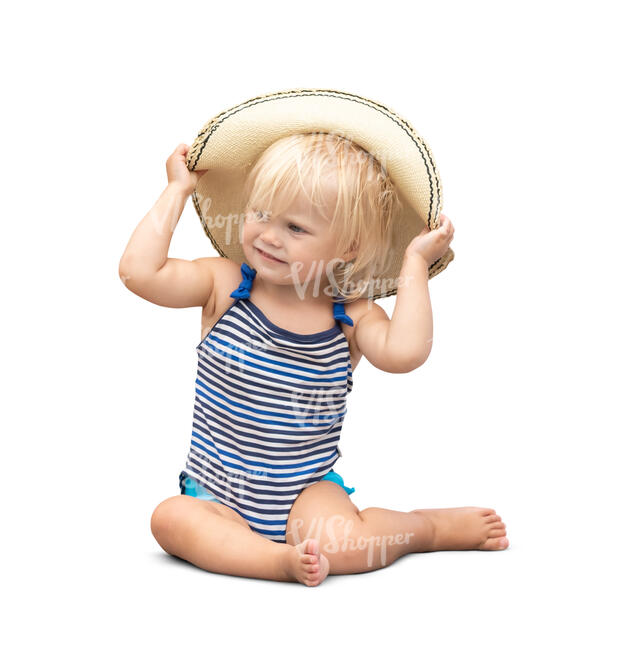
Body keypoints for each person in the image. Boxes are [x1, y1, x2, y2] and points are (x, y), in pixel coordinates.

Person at [118, 135, 509, 587]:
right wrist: (177, 190)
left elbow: (405, 354)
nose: (268, 235)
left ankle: (426, 529)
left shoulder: (349, 316)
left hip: (305, 495)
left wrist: (415, 265)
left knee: (340, 541)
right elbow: (139, 273)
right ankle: (274, 561)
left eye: (296, 228)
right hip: (215, 495)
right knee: (170, 518)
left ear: (347, 248)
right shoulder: (223, 287)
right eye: (260, 213)